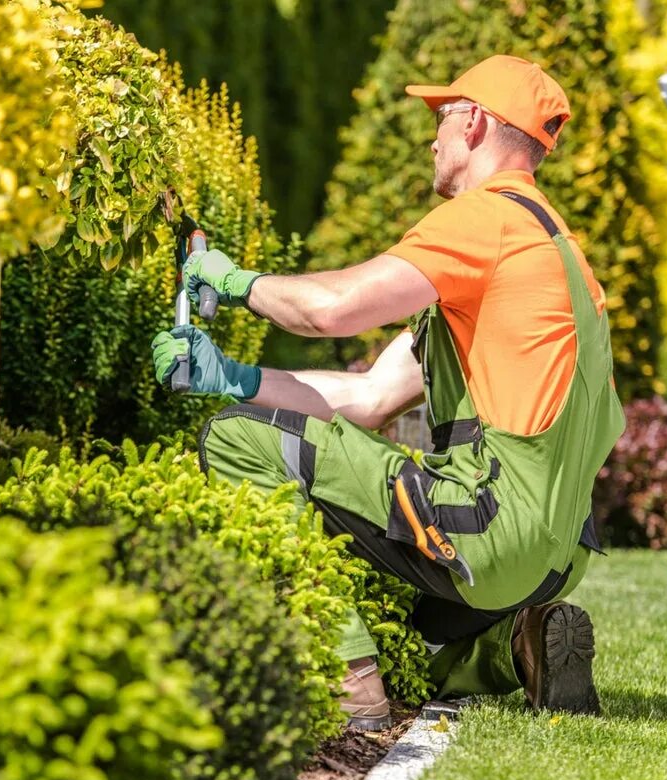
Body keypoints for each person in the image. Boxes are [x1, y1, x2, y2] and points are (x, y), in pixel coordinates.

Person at [151, 55, 625, 730]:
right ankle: (514, 648)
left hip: (487, 528)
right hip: (553, 557)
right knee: (397, 626)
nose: (432, 137)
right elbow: (371, 397)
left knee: (233, 439)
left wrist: (235, 282)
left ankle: (347, 682)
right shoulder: (554, 252)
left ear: (476, 123)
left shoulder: (486, 219)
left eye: (441, 118)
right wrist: (233, 378)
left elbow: (332, 311)